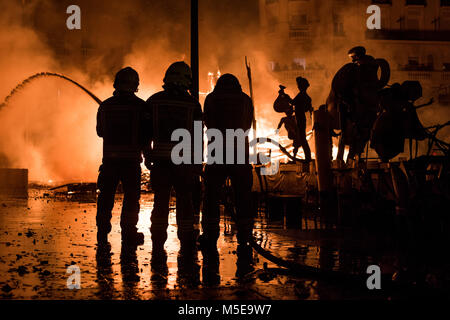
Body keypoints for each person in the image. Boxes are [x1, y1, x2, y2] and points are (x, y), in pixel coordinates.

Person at [144, 61, 202, 255]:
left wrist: (147, 154)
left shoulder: (153, 101)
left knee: (160, 201)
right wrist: (197, 163)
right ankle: (186, 242)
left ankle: (158, 241)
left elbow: (145, 133)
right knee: (185, 202)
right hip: (183, 164)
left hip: (160, 162)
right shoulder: (192, 103)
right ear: (186, 81)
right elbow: (197, 136)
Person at [200, 73, 254, 252]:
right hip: (240, 153)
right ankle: (245, 236)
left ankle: (210, 234)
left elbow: (207, 122)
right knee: (243, 195)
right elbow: (247, 125)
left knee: (211, 196)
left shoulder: (211, 98)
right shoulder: (245, 99)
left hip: (217, 153)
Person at [96, 67, 148, 245]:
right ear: (135, 85)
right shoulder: (141, 106)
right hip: (131, 162)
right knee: (132, 197)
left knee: (106, 195)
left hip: (110, 160)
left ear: (116, 83)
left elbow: (100, 132)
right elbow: (146, 134)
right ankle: (129, 231)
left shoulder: (105, 106)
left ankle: (102, 229)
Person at [291, 76, 313, 162]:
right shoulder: (305, 96)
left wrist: (285, 96)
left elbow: (293, 102)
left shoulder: (301, 95)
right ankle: (307, 157)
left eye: (299, 85)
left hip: (300, 118)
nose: (298, 86)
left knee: (302, 139)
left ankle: (308, 158)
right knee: (302, 138)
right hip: (301, 118)